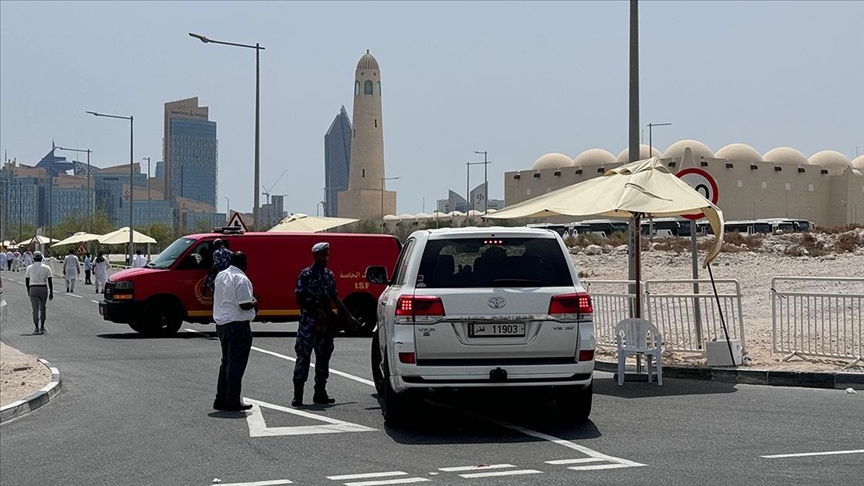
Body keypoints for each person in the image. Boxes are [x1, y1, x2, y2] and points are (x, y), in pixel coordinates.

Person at [292, 242, 360, 407]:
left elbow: (335, 298)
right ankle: (298, 395)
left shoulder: (329, 275)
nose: (326, 258)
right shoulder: (305, 275)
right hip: (308, 324)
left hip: (325, 325)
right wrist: (315, 309)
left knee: (323, 359)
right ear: (315, 256)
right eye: (323, 255)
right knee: (303, 357)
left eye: (327, 255)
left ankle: (320, 393)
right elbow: (299, 299)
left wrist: (349, 317)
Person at [212, 251, 257, 412]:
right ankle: (232, 400)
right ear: (245, 263)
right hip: (238, 324)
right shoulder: (241, 279)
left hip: (222, 324)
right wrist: (255, 301)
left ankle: (220, 398)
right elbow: (244, 304)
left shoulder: (221, 276)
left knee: (226, 363)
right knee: (236, 365)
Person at [24, 251, 54, 335]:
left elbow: (27, 280)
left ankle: (36, 327)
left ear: (33, 259)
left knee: (35, 309)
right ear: (41, 258)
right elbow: (50, 280)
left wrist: (28, 290)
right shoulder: (46, 268)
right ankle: (42, 327)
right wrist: (51, 291)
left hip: (33, 288)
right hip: (43, 288)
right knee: (43, 308)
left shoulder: (29, 268)